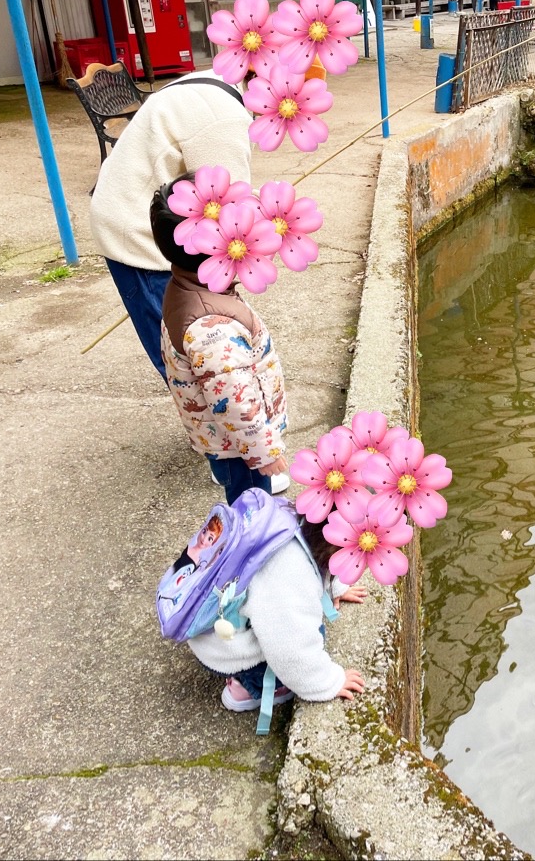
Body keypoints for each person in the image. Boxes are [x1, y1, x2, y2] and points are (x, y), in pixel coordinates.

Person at [90, 67, 252, 382]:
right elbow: (230, 220)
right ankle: (214, 423)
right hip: (136, 232)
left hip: (146, 212)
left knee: (193, 344)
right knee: (185, 358)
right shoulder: (224, 118)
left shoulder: (221, 81)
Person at [149, 172, 292, 505]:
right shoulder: (211, 328)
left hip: (228, 440)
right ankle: (251, 551)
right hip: (238, 448)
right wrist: (265, 452)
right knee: (251, 506)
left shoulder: (187, 285)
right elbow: (234, 398)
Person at [176, 510, 369, 712]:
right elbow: (291, 650)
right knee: (312, 635)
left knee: (304, 621)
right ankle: (246, 688)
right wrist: (329, 682)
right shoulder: (291, 575)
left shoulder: (294, 520)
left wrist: (337, 588)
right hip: (223, 649)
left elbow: (323, 561)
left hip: (214, 619)